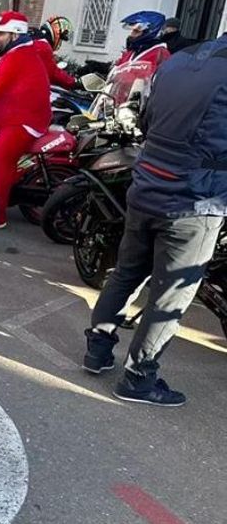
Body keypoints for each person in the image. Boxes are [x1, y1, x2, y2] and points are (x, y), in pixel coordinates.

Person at [82, 31, 227, 406]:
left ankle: (97, 351)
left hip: (146, 186)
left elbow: (147, 118)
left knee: (128, 271)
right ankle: (138, 380)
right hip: (195, 201)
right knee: (169, 296)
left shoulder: (180, 60)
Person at [0, 11, 51, 228]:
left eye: (1, 34)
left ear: (15, 35)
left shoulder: (17, 57)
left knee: (0, 163)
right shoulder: (19, 53)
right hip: (15, 118)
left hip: (22, 122)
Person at [114, 11, 171, 76]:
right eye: (132, 31)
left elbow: (161, 79)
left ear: (149, 32)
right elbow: (117, 72)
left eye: (136, 31)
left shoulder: (160, 54)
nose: (131, 34)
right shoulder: (132, 52)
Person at [33, 15, 76, 89]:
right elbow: (53, 73)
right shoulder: (43, 46)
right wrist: (74, 82)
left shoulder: (33, 39)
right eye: (61, 38)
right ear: (57, 32)